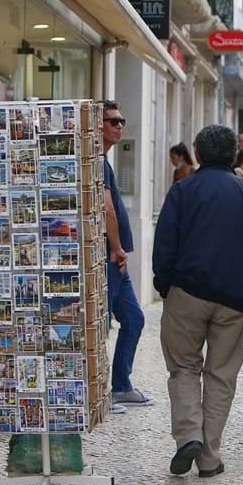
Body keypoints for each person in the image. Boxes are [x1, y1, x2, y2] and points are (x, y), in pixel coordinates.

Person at [153, 124, 243, 478]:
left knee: (184, 367)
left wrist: (165, 285)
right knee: (221, 376)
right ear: (234, 156)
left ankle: (188, 435)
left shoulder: (183, 190)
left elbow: (165, 244)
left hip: (187, 294)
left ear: (199, 153)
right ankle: (209, 457)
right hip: (234, 302)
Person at [102, 101, 152, 411]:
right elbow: (106, 208)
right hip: (109, 259)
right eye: (113, 120)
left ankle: (121, 386)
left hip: (115, 260)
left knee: (133, 318)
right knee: (100, 324)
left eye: (122, 120)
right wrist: (116, 247)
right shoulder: (96, 160)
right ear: (97, 125)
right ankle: (98, 393)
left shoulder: (105, 161)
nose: (120, 125)